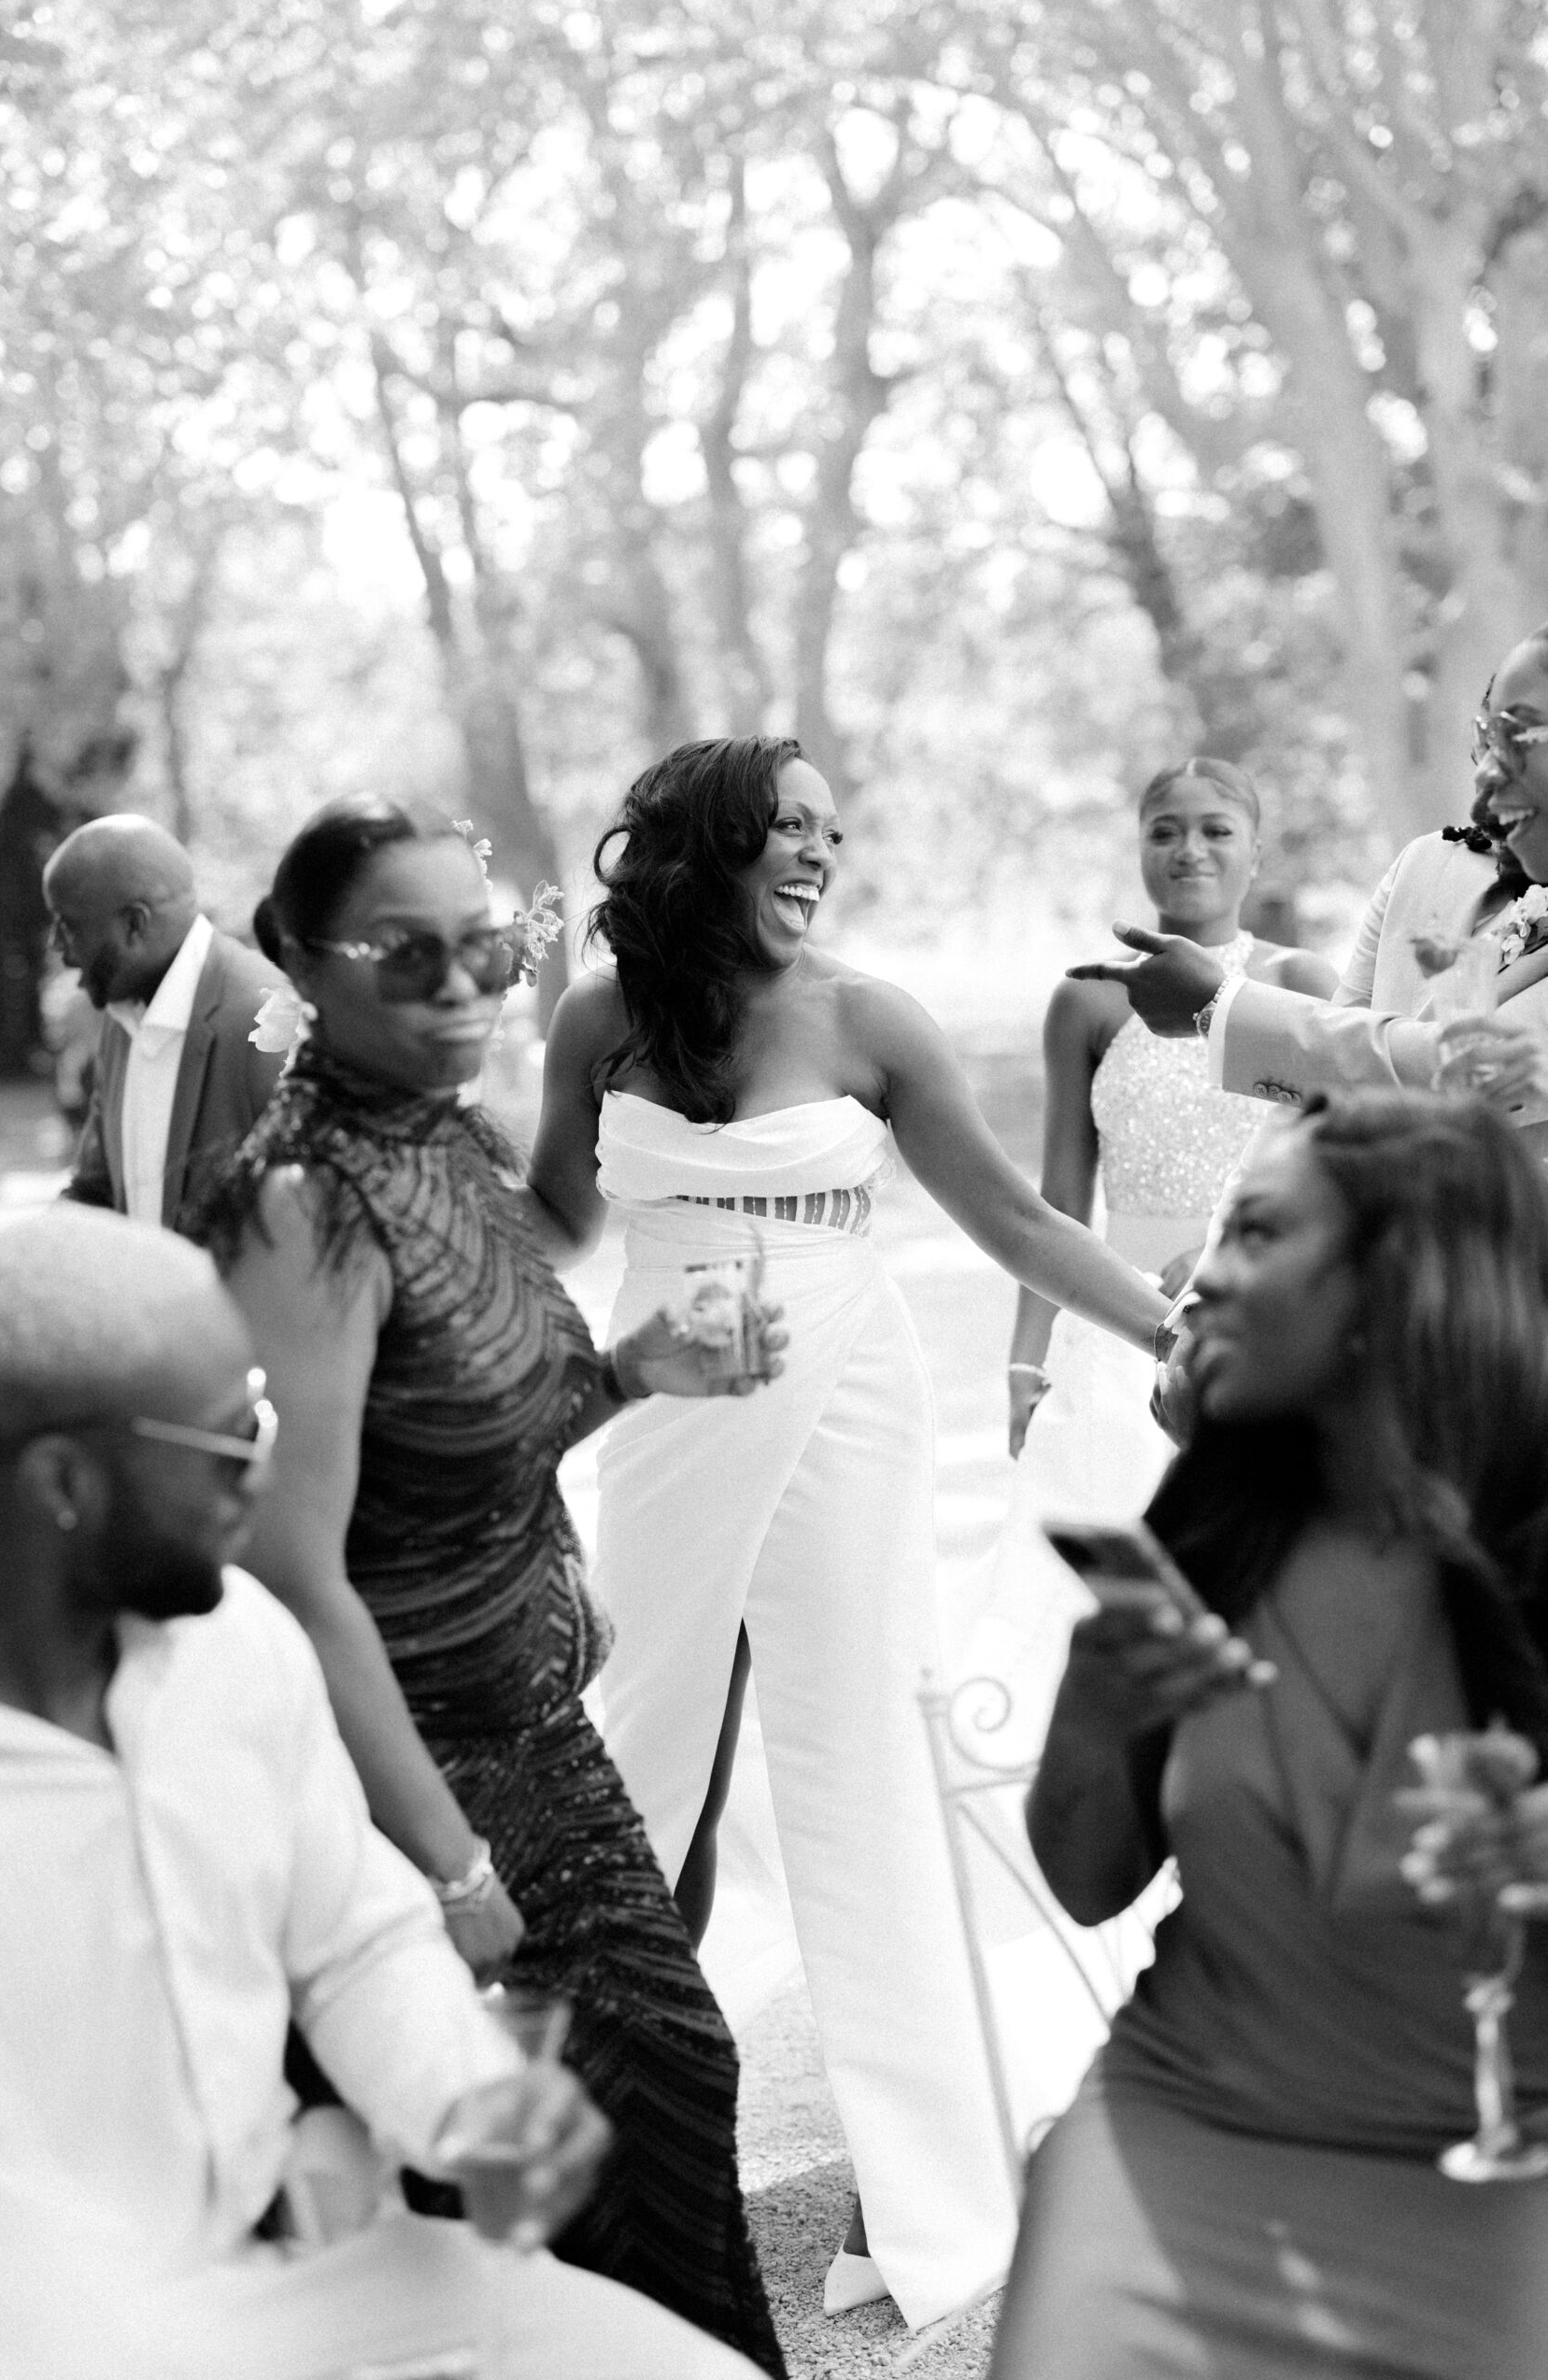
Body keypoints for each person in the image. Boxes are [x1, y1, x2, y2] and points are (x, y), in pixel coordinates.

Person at [525, 734, 1170, 2330]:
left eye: (831, 830)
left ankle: (929, 2180)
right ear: (706, 845)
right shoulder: (598, 1017)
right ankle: (596, 2148)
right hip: (671, 1392)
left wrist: (1176, 1335)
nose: (819, 854)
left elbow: (1016, 1222)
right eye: (786, 828)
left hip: (846, 1398)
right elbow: (545, 1224)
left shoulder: (870, 1018)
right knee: (636, 1748)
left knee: (864, 1756)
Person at [0, 1206, 764, 2380]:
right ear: (64, 1480)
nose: (268, 1476)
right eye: (231, 1442)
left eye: (268, 1415)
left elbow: (355, 1944)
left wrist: (475, 2104)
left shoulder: (238, 1648)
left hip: (294, 2287)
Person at [198, 793, 788, 2376]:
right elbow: (291, 1562)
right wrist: (448, 1872)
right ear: (306, 967)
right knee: (500, 2180)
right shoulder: (303, 1204)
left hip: (545, 1744)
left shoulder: (451, 1139)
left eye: (481, 948)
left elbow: (470, 1423)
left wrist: (635, 1370)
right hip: (417, 1774)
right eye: (407, 953)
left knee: (664, 2075)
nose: (461, 986)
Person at [988, 1092, 1548, 2380]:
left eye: (1250, 1235)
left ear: (1383, 1288)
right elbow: (1084, 1883)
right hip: (1184, 2126)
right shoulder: (1213, 1523)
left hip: (1495, 2178)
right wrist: (1096, 1700)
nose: (1195, 1275)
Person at [1070, 634, 1548, 1154]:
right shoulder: (1426, 865)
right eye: (1485, 736)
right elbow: (1328, 1087)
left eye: (1517, 737)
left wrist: (1219, 1004)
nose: (1485, 775)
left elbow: (1456, 1074)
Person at [1003, 758, 1334, 1502]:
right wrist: (1027, 1358)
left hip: (1254, 1310)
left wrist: (1225, 1253)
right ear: (1139, 849)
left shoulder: (1299, 985)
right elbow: (1055, 1201)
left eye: (1216, 830)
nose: (1189, 850)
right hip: (1111, 1322)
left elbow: (1336, 1160)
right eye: (1165, 832)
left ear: (1256, 854)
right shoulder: (1086, 997)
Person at [43, 813, 284, 1226]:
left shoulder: (268, 1020)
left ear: (135, 923)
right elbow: (94, 1191)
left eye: (68, 926)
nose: (57, 946)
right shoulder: (121, 1019)